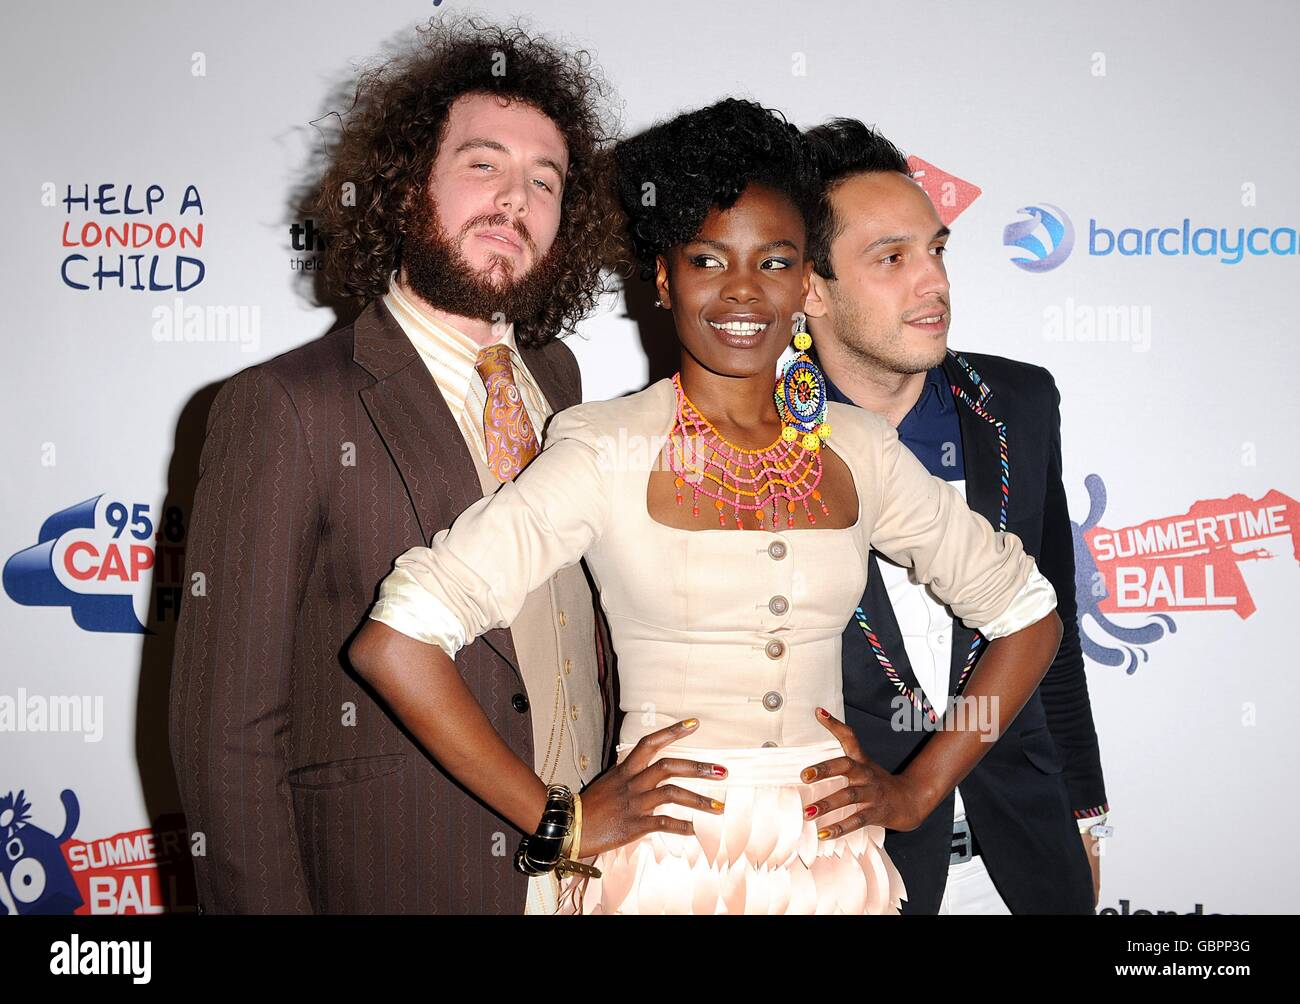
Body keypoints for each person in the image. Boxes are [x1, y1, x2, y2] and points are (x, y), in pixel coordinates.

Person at [349, 97, 1064, 915]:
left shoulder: (859, 448)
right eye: (708, 260)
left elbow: (1028, 615)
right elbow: (397, 641)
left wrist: (917, 791)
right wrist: (562, 821)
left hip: (831, 868)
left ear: (806, 285)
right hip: (665, 872)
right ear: (665, 278)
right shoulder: (607, 447)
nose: (743, 292)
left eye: (775, 262)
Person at [169, 18, 623, 914]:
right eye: (483, 165)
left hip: (595, 877)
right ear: (409, 186)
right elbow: (224, 737)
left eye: (546, 181)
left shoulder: (561, 378)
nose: (516, 199)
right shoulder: (288, 406)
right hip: (406, 877)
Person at [801, 117, 1109, 914]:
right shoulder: (757, 440)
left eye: (936, 250)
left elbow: (1056, 632)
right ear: (810, 288)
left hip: (1024, 861)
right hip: (850, 869)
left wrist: (1086, 812)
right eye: (891, 258)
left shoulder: (1017, 402)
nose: (932, 282)